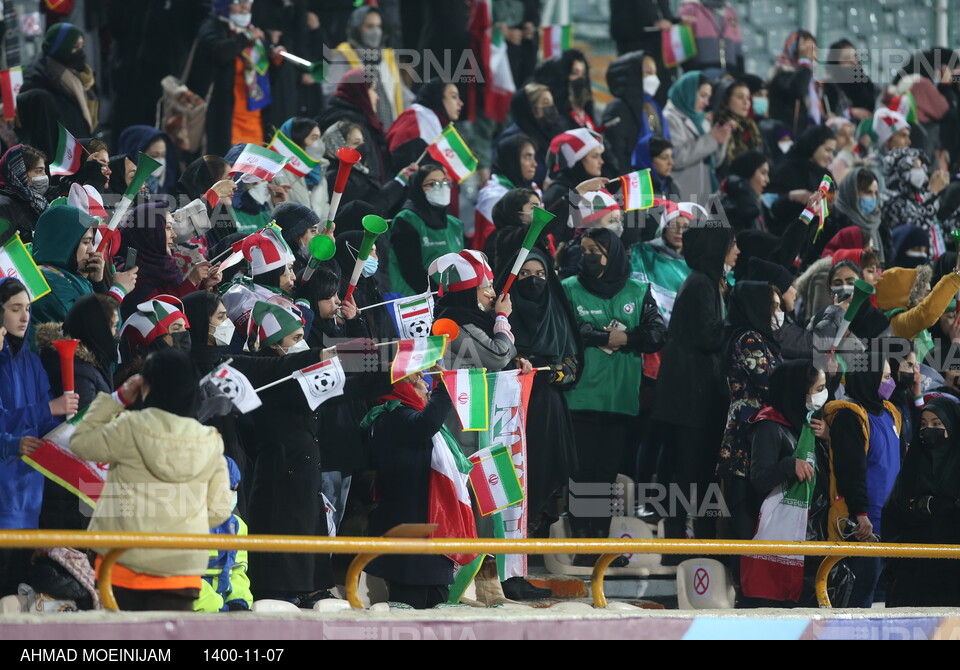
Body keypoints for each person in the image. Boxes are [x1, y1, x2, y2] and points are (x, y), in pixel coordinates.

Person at [70, 348, 232, 612]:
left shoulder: (129, 426)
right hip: (181, 569)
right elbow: (219, 510)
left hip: (119, 564)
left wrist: (117, 398)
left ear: (146, 385)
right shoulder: (210, 440)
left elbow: (79, 442)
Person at [562, 229, 666, 557]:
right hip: (579, 397)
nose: (589, 256)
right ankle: (583, 542)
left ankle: (600, 540)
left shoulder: (639, 289)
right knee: (582, 474)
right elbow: (563, 329)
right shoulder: (568, 289)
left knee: (607, 476)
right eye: (585, 249)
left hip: (620, 399)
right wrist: (600, 336)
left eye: (597, 250)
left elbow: (657, 333)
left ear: (615, 254)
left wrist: (625, 339)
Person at [243, 300, 335, 605]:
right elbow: (287, 368)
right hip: (278, 471)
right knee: (283, 535)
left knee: (307, 529)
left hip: (303, 468)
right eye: (295, 339)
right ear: (273, 345)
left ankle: (309, 585)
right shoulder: (267, 373)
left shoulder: (295, 372)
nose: (303, 344)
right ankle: (284, 591)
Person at [361, 370, 469, 608]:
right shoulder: (392, 417)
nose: (427, 388)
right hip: (410, 537)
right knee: (408, 610)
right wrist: (445, 386)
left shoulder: (403, 417)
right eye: (420, 382)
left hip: (429, 534)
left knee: (438, 609)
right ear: (402, 387)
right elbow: (426, 424)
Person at [655, 220, 733, 546]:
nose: (736, 251)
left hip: (691, 400)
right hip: (692, 403)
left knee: (690, 477)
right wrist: (739, 325)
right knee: (691, 477)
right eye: (731, 245)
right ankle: (686, 545)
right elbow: (708, 336)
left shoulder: (705, 282)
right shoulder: (701, 284)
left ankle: (692, 542)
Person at [495, 247, 583, 537]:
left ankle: (534, 545)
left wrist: (551, 370)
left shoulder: (556, 312)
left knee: (543, 473)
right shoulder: (497, 314)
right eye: (525, 274)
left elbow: (572, 366)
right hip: (509, 406)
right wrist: (514, 363)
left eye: (541, 274)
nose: (534, 280)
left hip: (546, 407)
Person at [0, 278, 78, 596]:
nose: (24, 317)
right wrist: (15, 440)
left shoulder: (31, 361)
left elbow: (45, 421)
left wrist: (71, 425)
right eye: (15, 309)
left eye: (28, 309)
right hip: (4, 496)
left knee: (15, 586)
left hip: (29, 498)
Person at [742, 359, 829, 606]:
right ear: (797, 390)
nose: (824, 395)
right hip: (779, 532)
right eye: (818, 388)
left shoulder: (812, 423)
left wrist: (829, 439)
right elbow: (759, 479)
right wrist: (789, 465)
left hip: (813, 534)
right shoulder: (769, 425)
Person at [824, 353, 903, 607]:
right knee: (859, 600)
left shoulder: (891, 414)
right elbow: (851, 470)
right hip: (863, 527)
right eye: (885, 377)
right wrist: (860, 513)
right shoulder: (850, 417)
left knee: (881, 601)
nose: (890, 383)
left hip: (889, 526)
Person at [717, 281, 785, 538]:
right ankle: (738, 575)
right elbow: (770, 384)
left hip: (758, 433)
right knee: (743, 514)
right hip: (745, 435)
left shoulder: (764, 340)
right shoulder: (749, 338)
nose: (779, 312)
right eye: (774, 306)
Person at [883, 397, 960, 607]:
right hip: (912, 572)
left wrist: (942, 507)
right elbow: (894, 511)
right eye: (924, 424)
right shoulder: (913, 465)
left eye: (937, 424)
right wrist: (919, 508)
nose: (928, 430)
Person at [189, 1, 272, 156]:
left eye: (248, 3)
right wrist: (245, 38)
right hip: (225, 116)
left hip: (254, 116)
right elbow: (219, 53)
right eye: (239, 2)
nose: (245, 8)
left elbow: (264, 71)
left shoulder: (254, 32)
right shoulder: (213, 27)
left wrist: (274, 57)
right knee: (225, 165)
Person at [30, 206, 135, 326]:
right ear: (65, 242)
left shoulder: (68, 275)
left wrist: (98, 283)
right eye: (86, 242)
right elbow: (103, 332)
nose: (91, 250)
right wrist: (118, 291)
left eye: (92, 242)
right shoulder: (55, 287)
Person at [119, 203, 219, 321]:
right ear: (150, 232)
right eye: (167, 228)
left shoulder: (164, 265)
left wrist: (203, 285)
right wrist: (191, 281)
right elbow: (164, 319)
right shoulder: (132, 277)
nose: (174, 235)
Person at [323, 5, 413, 130]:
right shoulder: (343, 55)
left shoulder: (388, 56)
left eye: (379, 26)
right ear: (356, 29)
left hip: (391, 131)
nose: (376, 31)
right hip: (359, 132)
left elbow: (402, 95)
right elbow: (331, 95)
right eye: (369, 26)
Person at [387, 164, 464, 296]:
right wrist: (439, 298)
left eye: (444, 182)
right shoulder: (407, 219)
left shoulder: (454, 223)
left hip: (452, 297)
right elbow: (411, 270)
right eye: (432, 183)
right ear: (418, 188)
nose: (441, 187)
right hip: (418, 300)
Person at [18, 23, 99, 141]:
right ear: (61, 48)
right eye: (75, 47)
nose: (81, 52)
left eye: (82, 47)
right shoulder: (37, 84)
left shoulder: (80, 79)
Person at [194, 456, 253, 612]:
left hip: (221, 609)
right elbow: (184, 579)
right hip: (197, 610)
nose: (230, 496)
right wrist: (218, 606)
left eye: (234, 490)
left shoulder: (238, 526)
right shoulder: (184, 525)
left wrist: (239, 600)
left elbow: (238, 571)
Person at [663, 71, 731, 201]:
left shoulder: (700, 119)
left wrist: (721, 140)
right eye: (703, 96)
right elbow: (676, 158)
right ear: (688, 92)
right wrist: (711, 139)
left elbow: (714, 162)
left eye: (708, 97)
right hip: (682, 194)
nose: (706, 103)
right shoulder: (670, 118)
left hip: (704, 193)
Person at [603, 51, 670, 180]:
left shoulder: (652, 106)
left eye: (655, 73)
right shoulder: (618, 108)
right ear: (634, 74)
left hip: (654, 178)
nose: (653, 78)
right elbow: (617, 152)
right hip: (632, 181)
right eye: (648, 72)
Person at [317, 68, 387, 186]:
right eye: (373, 90)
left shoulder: (361, 118)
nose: (377, 97)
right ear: (360, 91)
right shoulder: (347, 122)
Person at [474, 134, 541, 253]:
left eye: (533, 157)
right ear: (511, 160)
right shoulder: (493, 196)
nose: (534, 164)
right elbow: (493, 245)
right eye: (527, 157)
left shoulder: (534, 190)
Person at [765, 125, 836, 235]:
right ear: (813, 145)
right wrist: (791, 197)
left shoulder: (826, 175)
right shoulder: (786, 170)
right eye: (827, 150)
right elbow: (771, 210)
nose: (831, 157)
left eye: (833, 152)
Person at [386, 78, 463, 173]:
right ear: (438, 97)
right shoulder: (413, 120)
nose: (460, 103)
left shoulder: (443, 124)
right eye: (454, 97)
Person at [542, 128, 607, 241]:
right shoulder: (557, 192)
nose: (601, 161)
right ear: (578, 161)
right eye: (595, 156)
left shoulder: (592, 189)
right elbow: (554, 238)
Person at [494, 83, 565, 186]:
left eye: (552, 103)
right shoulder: (513, 138)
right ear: (530, 108)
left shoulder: (550, 133)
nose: (551, 108)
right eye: (545, 103)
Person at [270, 118, 330, 223]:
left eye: (319, 138)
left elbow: (325, 211)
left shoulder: (320, 171)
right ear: (296, 140)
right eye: (314, 138)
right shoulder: (277, 173)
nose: (319, 144)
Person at [768, 30, 824, 134]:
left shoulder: (812, 80)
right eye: (806, 49)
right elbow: (798, 90)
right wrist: (803, 62)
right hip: (787, 136)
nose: (810, 54)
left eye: (813, 49)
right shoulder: (781, 74)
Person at [882, 148, 949, 233]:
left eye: (922, 166)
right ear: (902, 167)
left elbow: (945, 233)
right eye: (917, 166)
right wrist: (933, 191)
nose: (922, 170)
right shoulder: (892, 202)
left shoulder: (915, 197)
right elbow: (916, 232)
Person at [484, 188, 545, 277]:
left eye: (541, 206)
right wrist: (568, 199)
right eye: (534, 207)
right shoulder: (504, 236)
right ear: (516, 211)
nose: (541, 211)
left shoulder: (543, 238)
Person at [677, 0, 744, 75]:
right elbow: (682, 42)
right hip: (700, 71)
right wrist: (690, 70)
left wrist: (740, 73)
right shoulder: (690, 8)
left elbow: (737, 42)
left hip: (729, 70)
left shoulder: (731, 13)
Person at [0, 145, 49, 243]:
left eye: (44, 170)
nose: (45, 176)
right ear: (20, 173)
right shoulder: (4, 206)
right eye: (39, 171)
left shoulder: (36, 202)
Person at [714, 78, 763, 176]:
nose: (746, 102)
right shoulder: (718, 127)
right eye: (740, 97)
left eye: (748, 97)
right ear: (726, 99)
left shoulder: (752, 127)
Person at [822, 40, 876, 122]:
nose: (853, 62)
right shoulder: (829, 87)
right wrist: (850, 113)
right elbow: (829, 118)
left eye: (855, 57)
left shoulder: (867, 85)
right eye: (847, 58)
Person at [117, 125, 178, 196]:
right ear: (136, 154)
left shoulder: (163, 188)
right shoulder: (118, 188)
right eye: (154, 156)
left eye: (163, 155)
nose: (160, 161)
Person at [720, 150, 772, 233]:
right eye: (763, 173)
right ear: (749, 171)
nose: (767, 180)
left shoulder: (755, 200)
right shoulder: (729, 203)